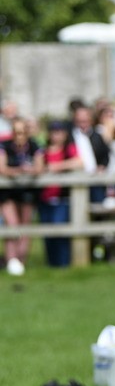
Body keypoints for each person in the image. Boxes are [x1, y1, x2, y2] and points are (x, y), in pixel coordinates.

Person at [0, 117, 44, 275]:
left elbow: (39, 167)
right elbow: (2, 168)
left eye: (22, 132)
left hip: (27, 191)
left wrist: (28, 171)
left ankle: (21, 261)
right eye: (16, 132)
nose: (19, 136)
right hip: (7, 192)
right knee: (12, 224)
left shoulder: (34, 146)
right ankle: (11, 260)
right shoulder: (4, 146)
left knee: (25, 225)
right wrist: (20, 170)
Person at [38, 121, 83, 267]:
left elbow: (79, 162)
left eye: (59, 132)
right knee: (48, 234)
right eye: (53, 132)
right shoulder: (42, 151)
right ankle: (51, 264)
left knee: (60, 230)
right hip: (44, 198)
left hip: (62, 198)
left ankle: (63, 263)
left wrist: (56, 167)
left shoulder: (68, 149)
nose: (56, 135)